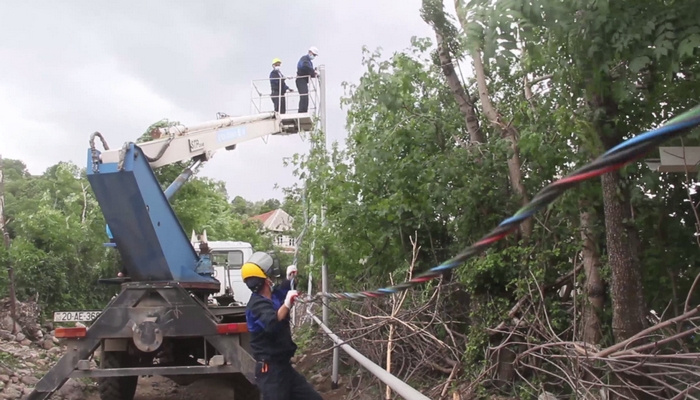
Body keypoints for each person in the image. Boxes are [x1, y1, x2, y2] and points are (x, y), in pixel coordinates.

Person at [242, 252, 323, 400]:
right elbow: (272, 323)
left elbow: (282, 293)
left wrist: (289, 279)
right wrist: (287, 303)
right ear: (267, 281)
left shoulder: (270, 297)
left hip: (283, 368)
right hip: (271, 371)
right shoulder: (257, 305)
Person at [296, 46, 319, 113]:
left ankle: (304, 111)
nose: (313, 56)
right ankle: (301, 112)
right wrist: (313, 72)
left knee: (306, 96)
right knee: (304, 95)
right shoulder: (304, 59)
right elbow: (305, 66)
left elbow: (309, 72)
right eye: (313, 55)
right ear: (310, 52)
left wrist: (315, 75)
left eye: (315, 55)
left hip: (304, 81)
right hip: (300, 79)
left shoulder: (310, 62)